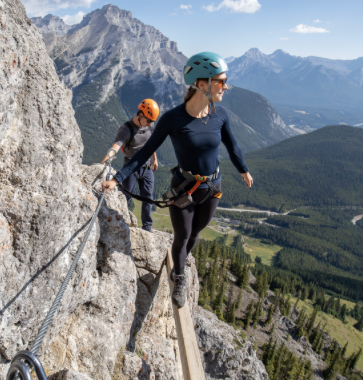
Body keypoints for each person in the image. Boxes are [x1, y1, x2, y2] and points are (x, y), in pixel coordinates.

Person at [101, 52, 253, 307]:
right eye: (221, 81)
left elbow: (232, 146)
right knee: (182, 237)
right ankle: (179, 276)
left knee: (195, 234)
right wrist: (117, 179)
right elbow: (144, 153)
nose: (225, 87)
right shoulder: (173, 119)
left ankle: (181, 261)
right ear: (201, 84)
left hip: (213, 187)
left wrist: (243, 169)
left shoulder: (221, 114)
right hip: (184, 190)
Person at [101, 99, 160, 232]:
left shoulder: (149, 125)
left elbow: (151, 143)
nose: (151, 123)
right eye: (149, 120)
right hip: (130, 167)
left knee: (148, 198)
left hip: (146, 166)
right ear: (140, 115)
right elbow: (114, 148)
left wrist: (154, 159)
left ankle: (147, 227)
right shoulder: (126, 129)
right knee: (126, 196)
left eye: (152, 121)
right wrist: (101, 165)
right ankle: (122, 223)